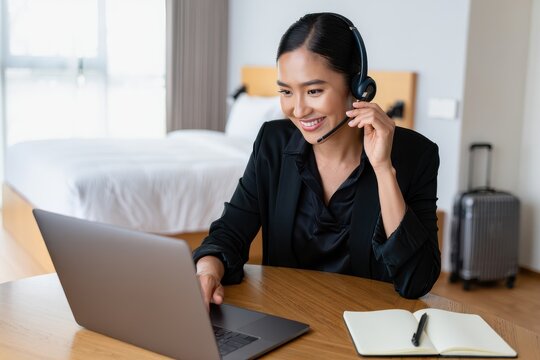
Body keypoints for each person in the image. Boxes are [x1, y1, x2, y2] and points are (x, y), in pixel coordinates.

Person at [193, 12, 440, 307]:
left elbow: (417, 280)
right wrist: (207, 270)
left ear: (359, 87)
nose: (298, 110)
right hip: (286, 319)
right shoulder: (273, 143)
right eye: (286, 91)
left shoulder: (416, 155)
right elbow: (230, 232)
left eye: (313, 91)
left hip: (369, 328)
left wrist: (383, 169)